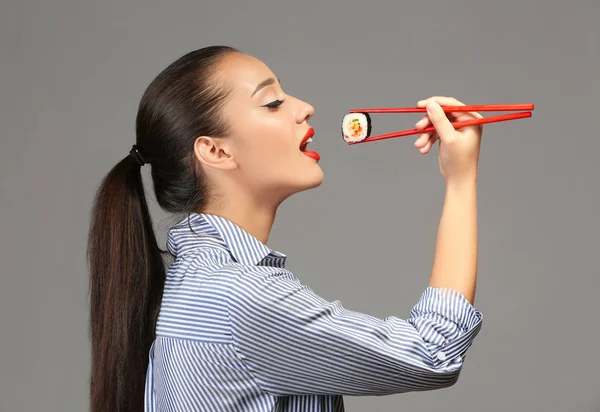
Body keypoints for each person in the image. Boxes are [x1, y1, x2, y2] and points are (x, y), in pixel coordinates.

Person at [87, 45, 484, 412]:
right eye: (272, 103)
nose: (304, 108)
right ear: (215, 150)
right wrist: (460, 178)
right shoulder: (241, 296)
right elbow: (434, 352)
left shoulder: (198, 284)